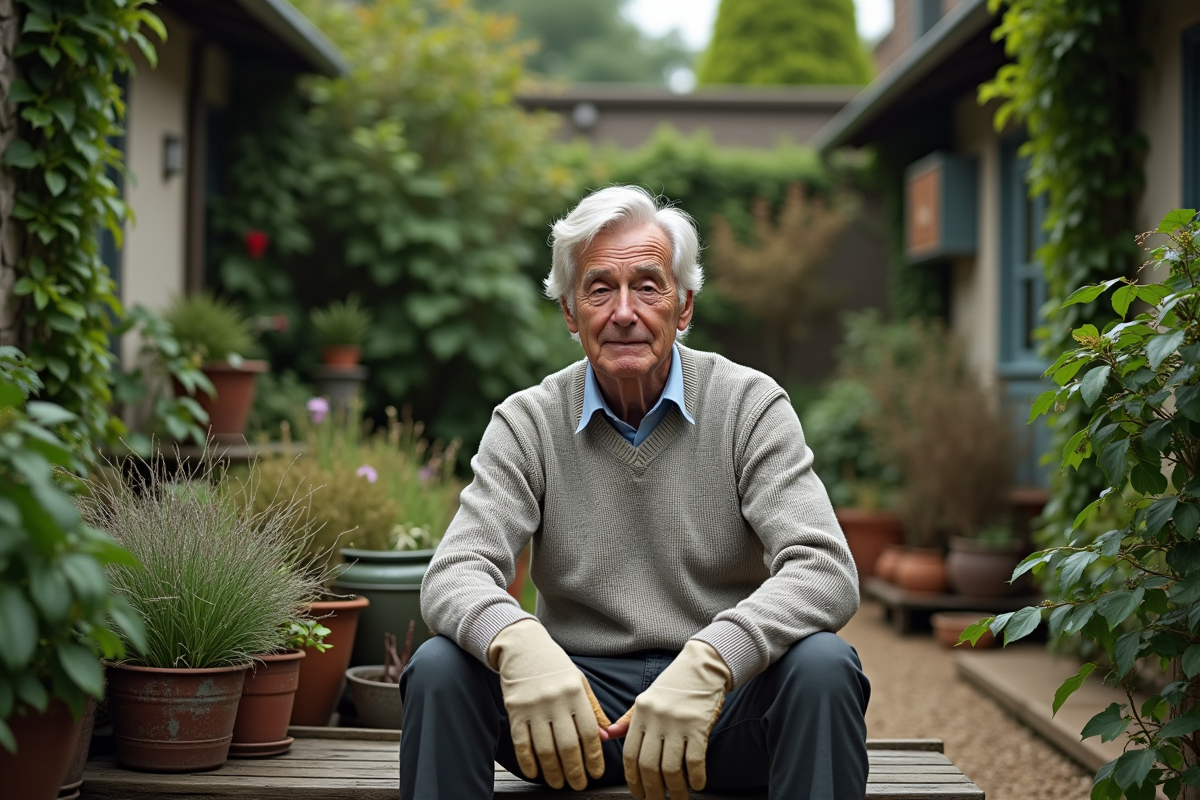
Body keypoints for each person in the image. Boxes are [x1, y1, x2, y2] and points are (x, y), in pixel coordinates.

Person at [400, 185, 869, 800]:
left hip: (716, 712)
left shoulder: (750, 406)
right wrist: (517, 643)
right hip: (571, 717)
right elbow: (453, 571)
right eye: (599, 289)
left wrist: (712, 661)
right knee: (438, 669)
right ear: (570, 313)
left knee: (825, 667)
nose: (625, 311)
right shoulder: (527, 422)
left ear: (685, 306)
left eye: (648, 286)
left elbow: (826, 569)